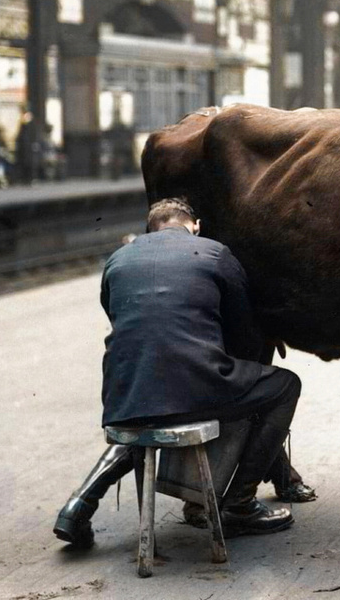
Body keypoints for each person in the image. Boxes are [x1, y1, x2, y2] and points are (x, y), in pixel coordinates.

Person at [53, 198, 301, 547]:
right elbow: (244, 333)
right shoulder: (214, 252)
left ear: (149, 230)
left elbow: (119, 318)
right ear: (195, 225)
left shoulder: (117, 259)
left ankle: (78, 506)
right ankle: (240, 505)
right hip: (196, 389)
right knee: (286, 385)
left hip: (125, 395)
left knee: (151, 411)